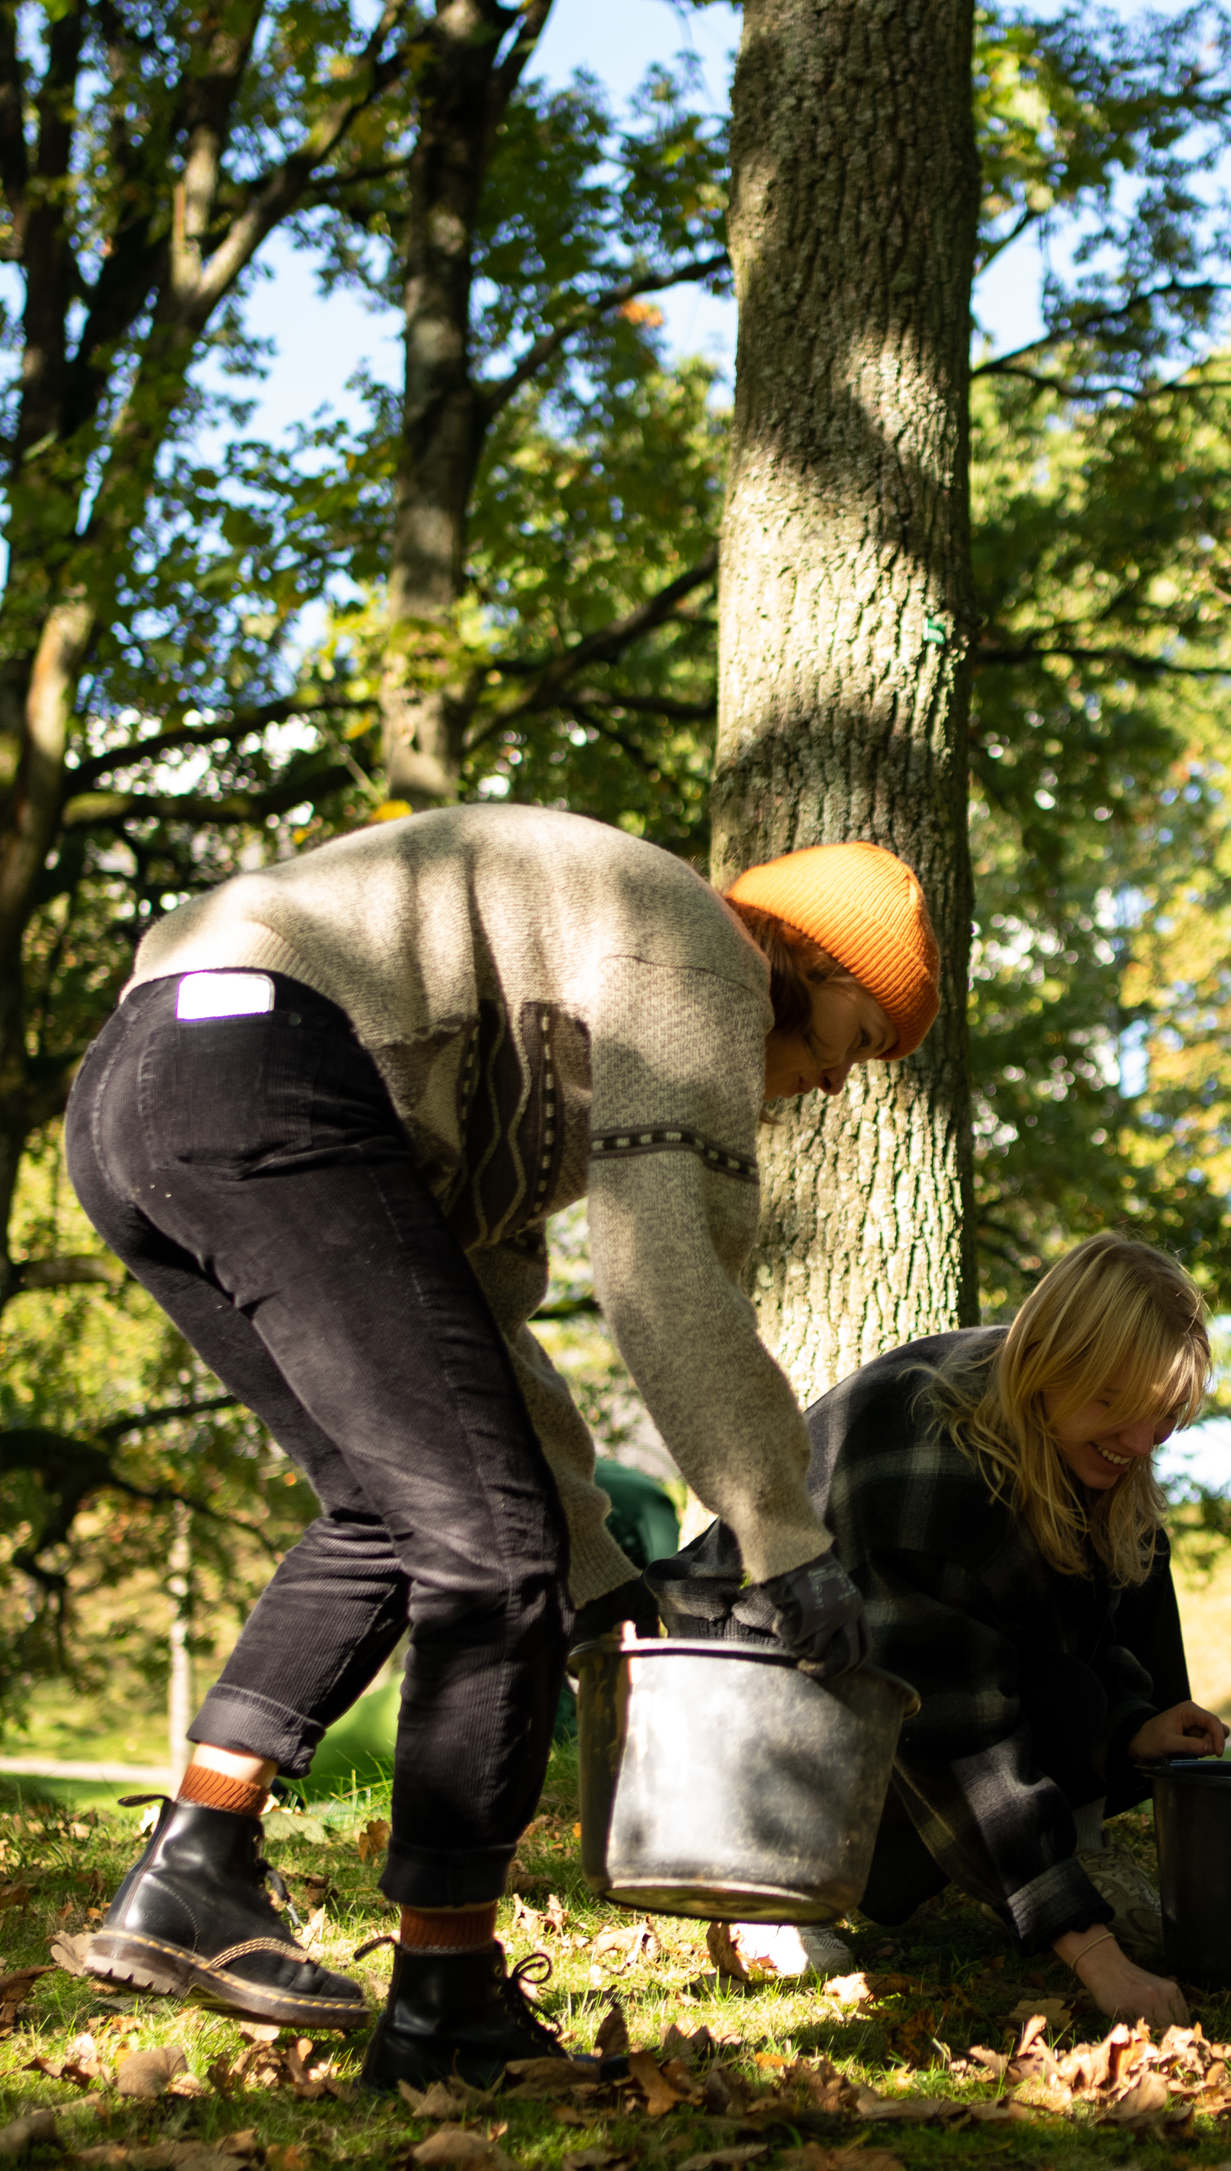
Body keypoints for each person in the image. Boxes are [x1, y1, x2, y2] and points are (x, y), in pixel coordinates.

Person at [61, 807, 941, 2086]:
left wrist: (603, 1584)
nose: (836, 1084)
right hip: (264, 1069)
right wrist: (780, 1534)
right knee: (488, 1556)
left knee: (389, 1509)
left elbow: (480, 1335)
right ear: (807, 961)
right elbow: (667, 1270)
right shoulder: (705, 960)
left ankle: (193, 1869)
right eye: (862, 1039)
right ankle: (445, 2006)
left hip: (144, 1092)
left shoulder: (560, 1018)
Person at [664, 1232, 1230, 2030]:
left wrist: (1132, 1729)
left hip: (881, 1667)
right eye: (1113, 1404)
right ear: (1052, 1361)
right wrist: (1099, 1960)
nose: (1140, 1442)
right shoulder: (936, 1463)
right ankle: (768, 1887)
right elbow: (953, 1736)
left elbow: (1050, 1641)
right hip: (751, 1699)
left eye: (1163, 1417)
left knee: (1136, 1559)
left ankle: (1065, 1854)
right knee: (927, 1725)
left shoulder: (1078, 1432)